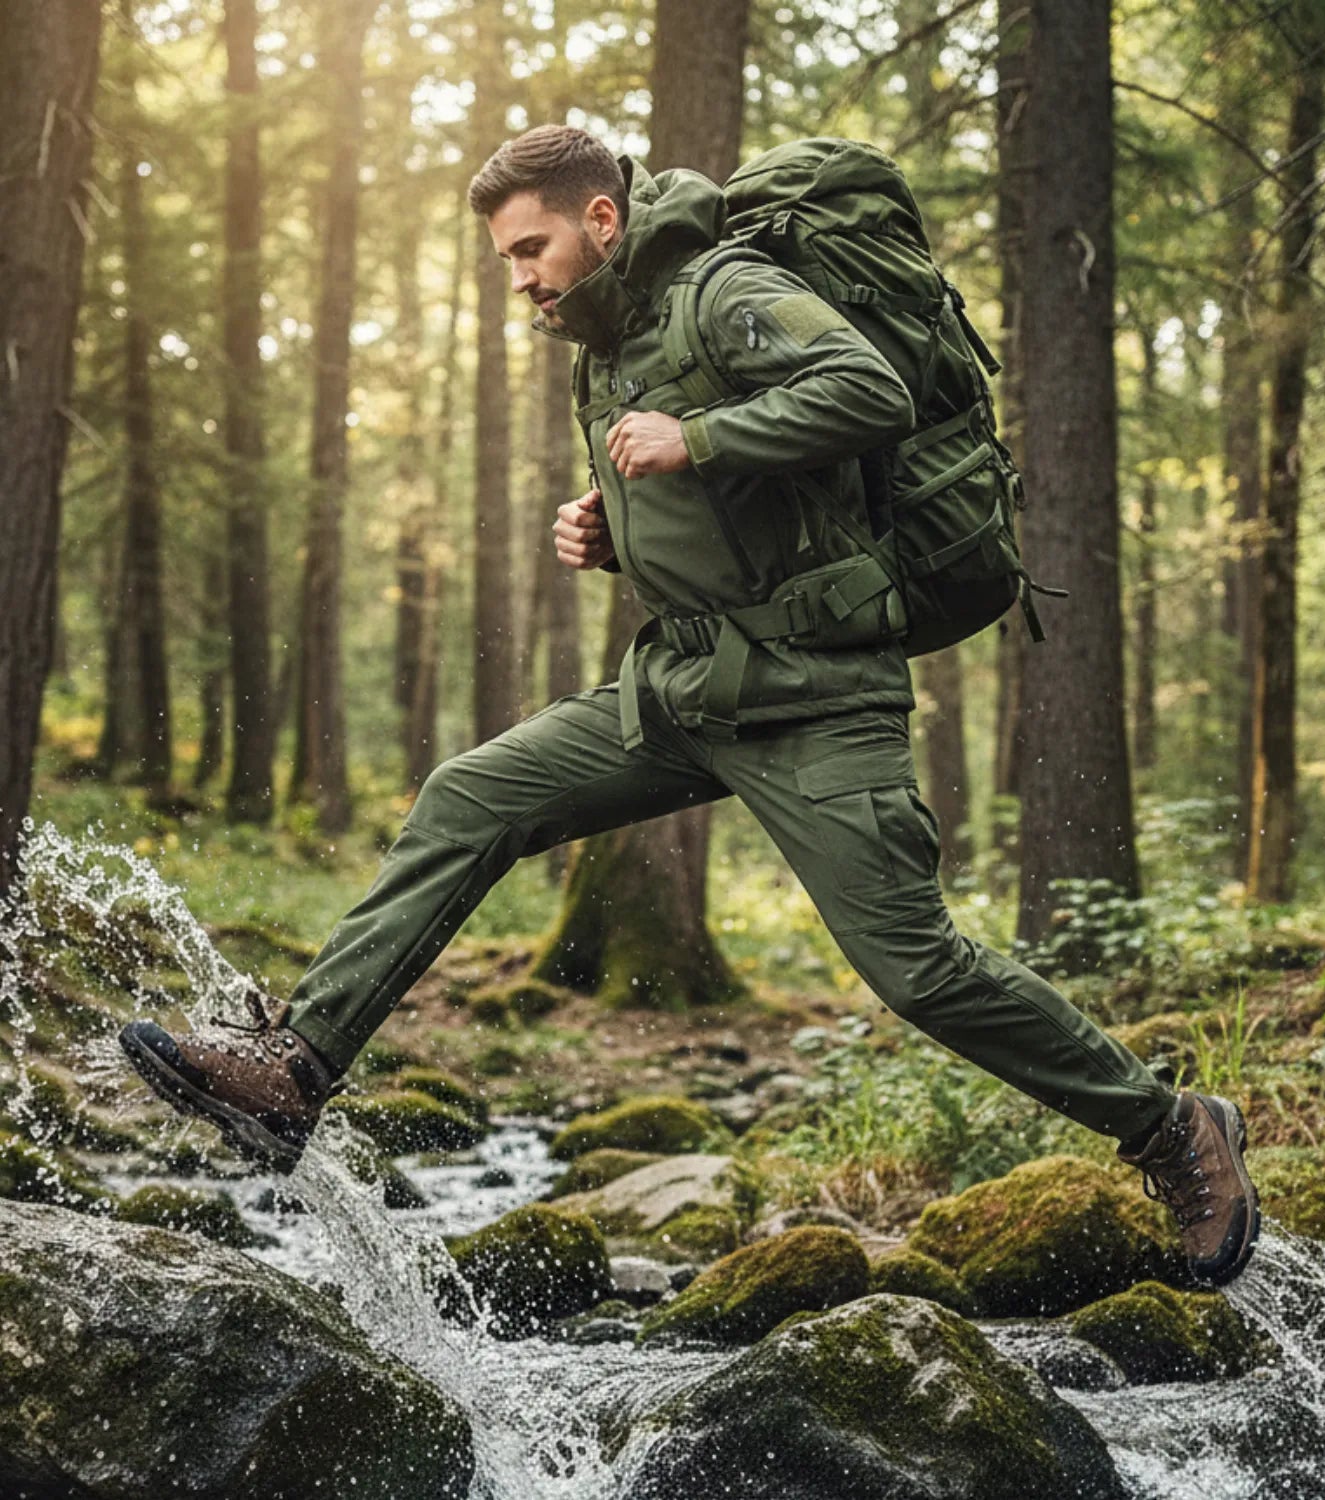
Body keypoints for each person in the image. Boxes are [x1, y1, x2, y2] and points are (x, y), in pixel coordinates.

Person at [119, 125, 1259, 1286]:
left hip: (814, 697)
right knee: (471, 796)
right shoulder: (602, 347)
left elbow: (863, 387)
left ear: (601, 222)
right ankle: (295, 1070)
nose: (520, 277)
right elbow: (734, 509)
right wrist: (612, 532)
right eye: (507, 259)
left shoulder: (723, 289)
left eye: (532, 248)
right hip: (680, 688)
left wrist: (698, 437)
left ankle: (1172, 1129)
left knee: (918, 968)